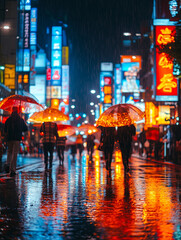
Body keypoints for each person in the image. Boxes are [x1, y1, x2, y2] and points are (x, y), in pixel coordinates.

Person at [4, 106, 28, 177]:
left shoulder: (8, 119)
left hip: (9, 138)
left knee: (9, 152)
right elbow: (25, 129)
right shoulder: (20, 120)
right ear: (17, 111)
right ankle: (13, 170)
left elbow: (5, 129)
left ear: (12, 111)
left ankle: (7, 164)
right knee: (14, 154)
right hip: (17, 139)